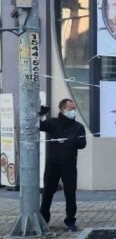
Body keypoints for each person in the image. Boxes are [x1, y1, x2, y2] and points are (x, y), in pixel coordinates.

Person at [39, 99, 87, 231]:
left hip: (69, 165)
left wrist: (73, 141)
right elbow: (37, 126)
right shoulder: (52, 123)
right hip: (52, 164)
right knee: (47, 193)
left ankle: (70, 220)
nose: (73, 111)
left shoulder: (78, 127)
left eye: (74, 109)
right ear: (62, 109)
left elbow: (82, 144)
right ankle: (44, 220)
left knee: (70, 193)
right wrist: (39, 115)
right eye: (71, 108)